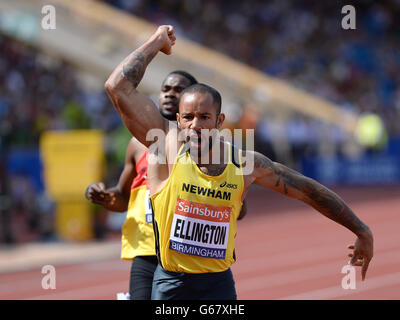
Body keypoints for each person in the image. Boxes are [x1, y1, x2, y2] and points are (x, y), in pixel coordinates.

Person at [104, 25, 373, 300]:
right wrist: (156, 42)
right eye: (188, 118)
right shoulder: (165, 150)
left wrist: (361, 230)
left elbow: (306, 189)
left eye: (205, 117)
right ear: (178, 121)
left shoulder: (244, 164)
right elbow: (117, 87)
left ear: (219, 122)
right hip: (172, 284)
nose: (196, 125)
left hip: (219, 286)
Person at [85, 70, 198, 299]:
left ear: (192, 99)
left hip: (186, 251)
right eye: (165, 89)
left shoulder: (204, 145)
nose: (169, 94)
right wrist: (104, 196)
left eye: (178, 90)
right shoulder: (137, 145)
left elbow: (236, 206)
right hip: (146, 252)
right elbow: (122, 198)